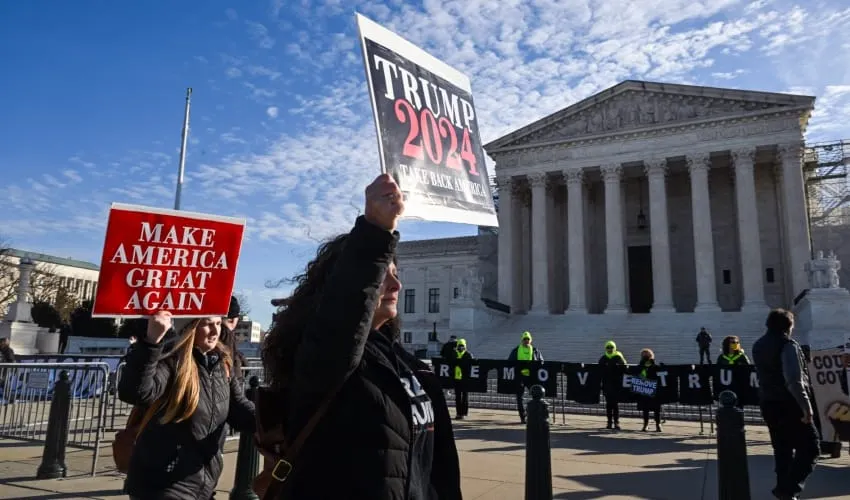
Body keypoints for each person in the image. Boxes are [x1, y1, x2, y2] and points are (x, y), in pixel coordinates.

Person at [259, 174, 462, 499]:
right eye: (384, 274)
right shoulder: (325, 352)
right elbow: (344, 315)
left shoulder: (405, 364)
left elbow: (437, 466)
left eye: (396, 274)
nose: (396, 287)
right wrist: (375, 231)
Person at [117, 312, 256, 500]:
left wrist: (282, 420)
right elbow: (137, 392)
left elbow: (240, 409)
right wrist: (151, 342)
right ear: (189, 329)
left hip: (202, 485)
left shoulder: (222, 364)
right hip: (164, 485)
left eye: (218, 323)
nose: (216, 331)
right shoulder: (171, 360)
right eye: (207, 324)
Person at [752, 309, 819, 500]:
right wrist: (806, 407)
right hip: (790, 403)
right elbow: (794, 380)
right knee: (811, 448)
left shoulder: (758, 345)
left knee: (782, 449)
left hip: (768, 402)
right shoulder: (788, 345)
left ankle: (784, 491)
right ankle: (788, 489)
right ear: (789, 326)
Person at [507, 331, 543, 424]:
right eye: (525, 339)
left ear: (530, 340)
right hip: (520, 377)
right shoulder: (516, 350)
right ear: (522, 340)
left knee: (536, 395)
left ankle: (533, 413)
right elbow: (509, 362)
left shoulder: (535, 350)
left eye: (528, 339)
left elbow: (541, 361)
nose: (526, 341)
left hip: (531, 377)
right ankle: (523, 416)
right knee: (519, 397)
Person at [598, 341, 627, 431]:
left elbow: (625, 368)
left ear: (614, 348)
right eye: (608, 347)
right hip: (607, 384)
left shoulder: (618, 357)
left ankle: (616, 422)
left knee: (615, 405)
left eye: (611, 347)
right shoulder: (603, 358)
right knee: (608, 405)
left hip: (616, 385)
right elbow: (599, 369)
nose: (610, 349)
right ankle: (609, 422)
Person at [636, 349, 663, 432]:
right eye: (644, 356)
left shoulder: (654, 366)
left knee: (656, 408)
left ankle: (658, 424)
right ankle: (646, 424)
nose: (645, 357)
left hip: (654, 388)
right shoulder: (640, 366)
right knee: (645, 408)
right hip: (644, 388)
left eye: (647, 355)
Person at [453, 338, 473, 420]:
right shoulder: (467, 354)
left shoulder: (457, 354)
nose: (461, 348)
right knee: (461, 396)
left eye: (462, 346)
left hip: (461, 378)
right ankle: (461, 413)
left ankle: (461, 413)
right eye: (460, 346)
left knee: (462, 396)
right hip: (460, 378)